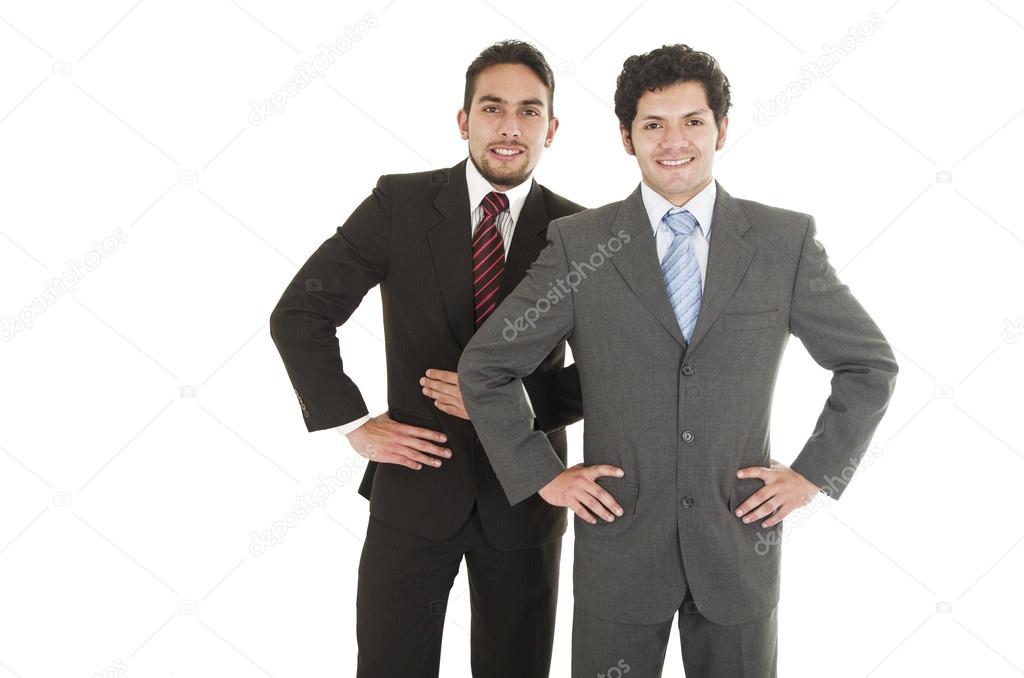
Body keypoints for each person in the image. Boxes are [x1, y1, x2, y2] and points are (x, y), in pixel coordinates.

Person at [458, 43, 898, 677]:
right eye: (653, 124)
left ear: (721, 128)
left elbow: (869, 365)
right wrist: (542, 473)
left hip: (739, 547)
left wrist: (813, 474)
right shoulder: (581, 245)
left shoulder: (782, 243)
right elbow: (487, 367)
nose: (674, 142)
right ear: (625, 137)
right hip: (620, 550)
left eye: (693, 122)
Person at [269, 40, 584, 678]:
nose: (509, 126)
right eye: (492, 108)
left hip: (528, 499)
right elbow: (300, 314)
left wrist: (511, 405)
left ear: (550, 129)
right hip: (413, 494)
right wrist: (353, 424)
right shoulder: (399, 205)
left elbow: (619, 369)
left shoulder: (583, 232)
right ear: (464, 120)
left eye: (529, 111)